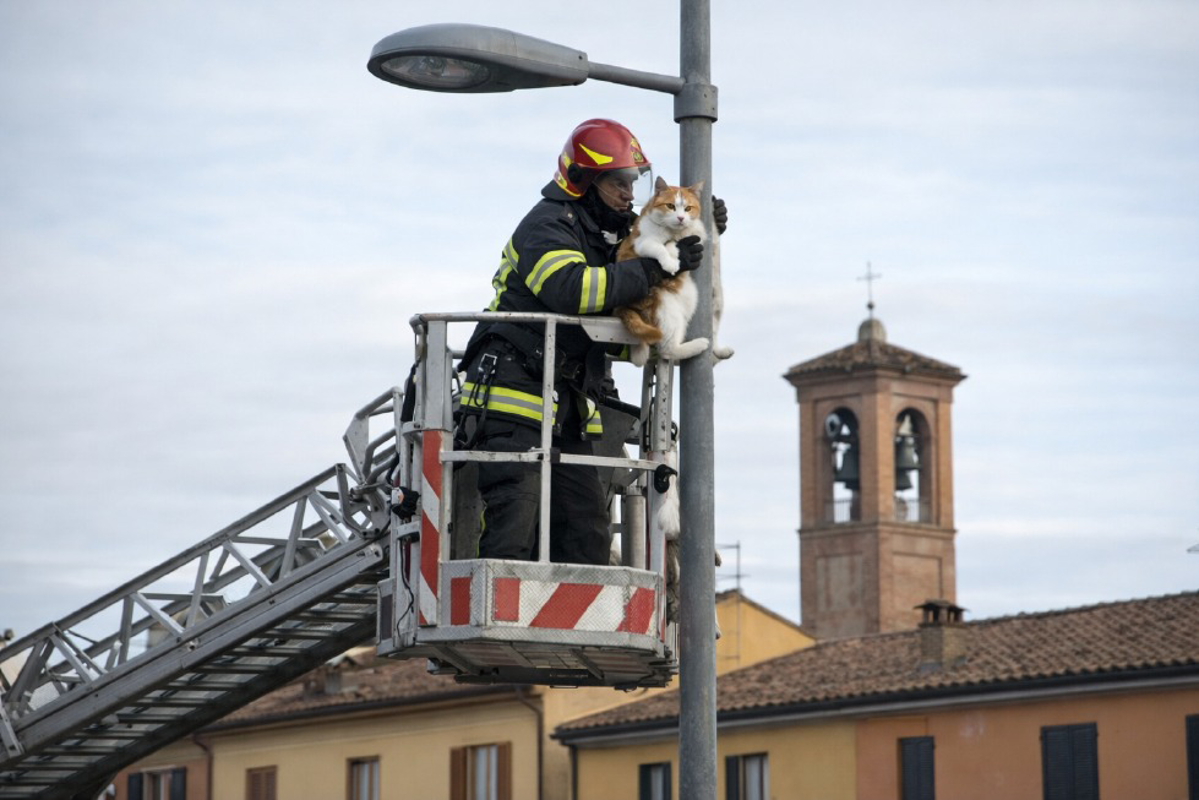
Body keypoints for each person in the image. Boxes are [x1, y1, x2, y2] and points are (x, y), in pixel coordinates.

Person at [455, 118, 726, 566]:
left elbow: (621, 306)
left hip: (571, 408)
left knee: (587, 538)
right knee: (513, 532)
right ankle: (498, 615)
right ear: (582, 180)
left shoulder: (609, 234)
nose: (629, 194)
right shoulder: (546, 225)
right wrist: (654, 268)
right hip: (513, 401)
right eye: (618, 183)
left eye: (633, 182)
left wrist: (702, 229)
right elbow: (572, 290)